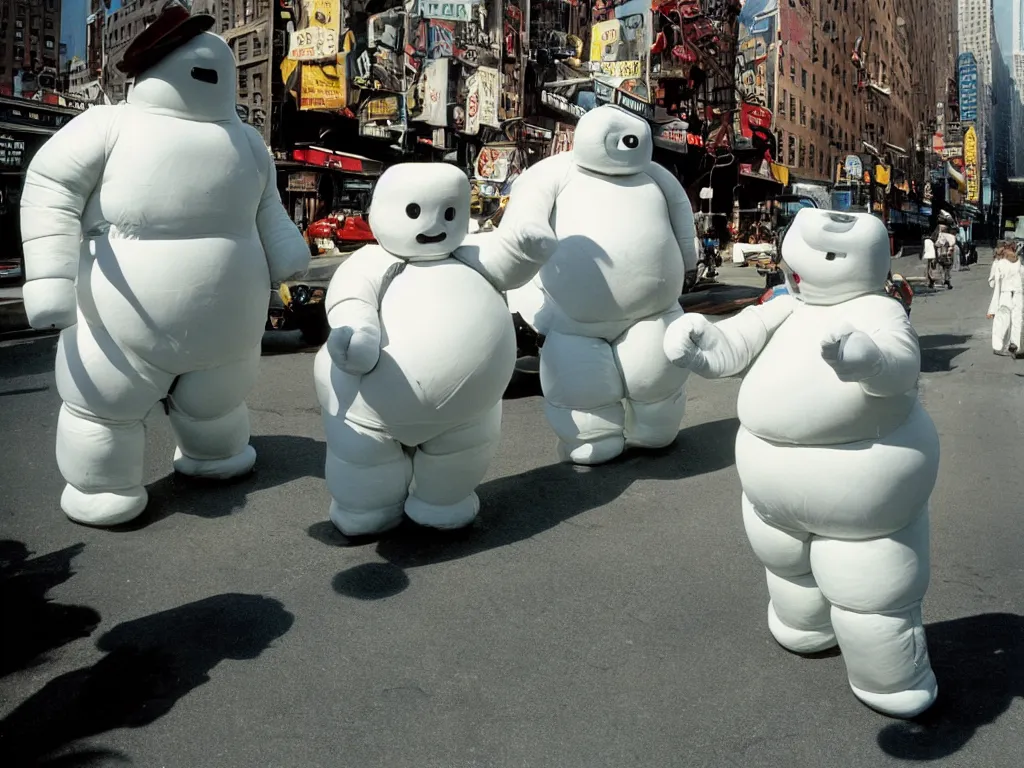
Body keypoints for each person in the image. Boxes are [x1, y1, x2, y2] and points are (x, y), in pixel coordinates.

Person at [987, 240, 1024, 358]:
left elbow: (994, 283)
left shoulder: (1000, 263)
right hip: (1018, 294)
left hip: (1005, 294)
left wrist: (992, 309)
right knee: (1017, 320)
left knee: (1001, 321)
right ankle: (1015, 345)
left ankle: (998, 346)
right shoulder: (1019, 263)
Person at [927, 224, 955, 290]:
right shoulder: (941, 237)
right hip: (939, 255)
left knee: (942, 268)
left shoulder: (942, 237)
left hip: (941, 255)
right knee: (937, 269)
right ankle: (942, 282)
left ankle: (946, 281)